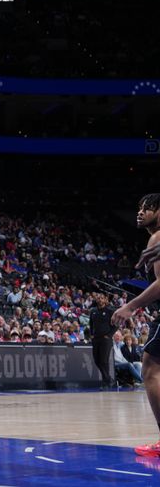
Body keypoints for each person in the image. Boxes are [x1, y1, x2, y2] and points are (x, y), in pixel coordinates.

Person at [112, 194, 160, 457]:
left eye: (148, 208)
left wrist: (131, 306)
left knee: (151, 369)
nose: (141, 212)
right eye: (139, 207)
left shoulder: (158, 237)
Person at [90, 294, 116, 388]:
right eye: (98, 298)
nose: (100, 300)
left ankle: (106, 382)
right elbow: (91, 324)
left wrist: (109, 336)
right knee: (97, 360)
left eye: (102, 298)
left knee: (104, 361)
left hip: (106, 339)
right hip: (96, 339)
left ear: (105, 300)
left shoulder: (110, 311)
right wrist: (91, 335)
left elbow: (116, 325)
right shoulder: (93, 311)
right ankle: (109, 379)